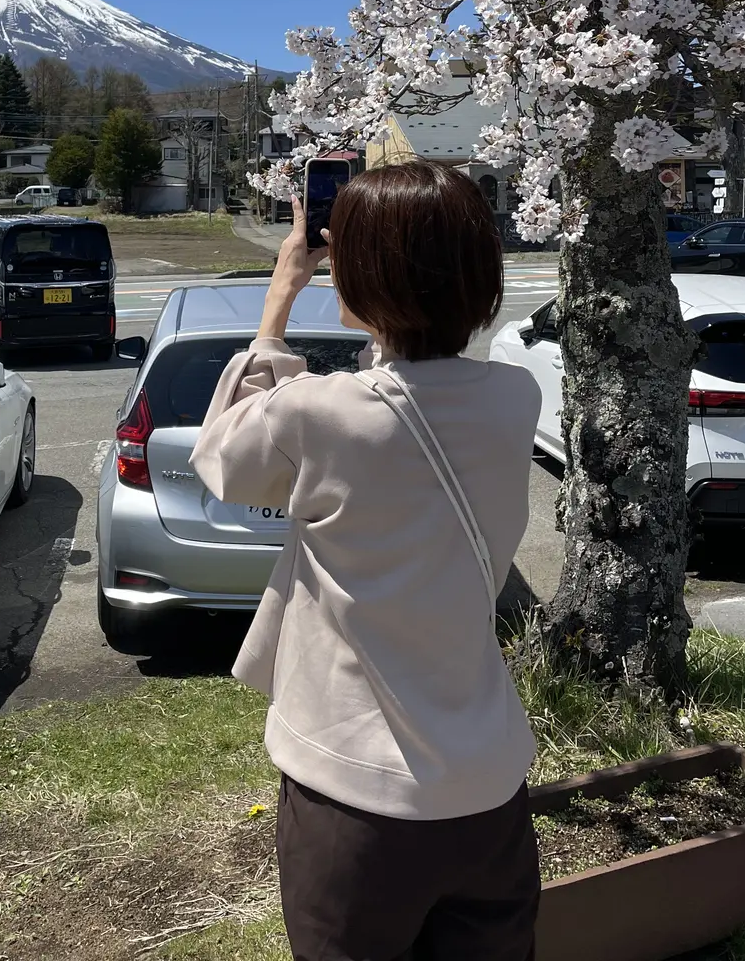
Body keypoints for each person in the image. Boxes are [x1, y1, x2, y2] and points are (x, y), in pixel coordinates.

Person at [191, 159, 542, 961]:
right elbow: (415, 392)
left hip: (354, 792)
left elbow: (225, 463)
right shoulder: (513, 399)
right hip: (488, 788)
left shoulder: (318, 413)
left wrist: (279, 303)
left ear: (363, 283)